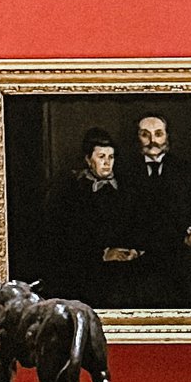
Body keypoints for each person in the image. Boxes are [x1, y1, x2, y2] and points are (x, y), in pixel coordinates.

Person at [125, 110, 191, 305]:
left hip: (178, 247)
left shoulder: (184, 170)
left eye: (158, 134)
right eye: (145, 135)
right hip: (140, 248)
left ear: (167, 136)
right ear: (137, 138)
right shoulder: (126, 170)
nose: (152, 141)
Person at [43, 128, 140, 307]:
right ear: (88, 159)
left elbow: (137, 224)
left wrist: (135, 249)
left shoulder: (127, 188)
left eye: (111, 157)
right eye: (101, 157)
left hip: (127, 266)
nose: (107, 163)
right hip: (87, 267)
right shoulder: (72, 191)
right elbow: (66, 238)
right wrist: (104, 254)